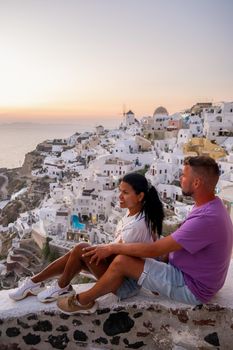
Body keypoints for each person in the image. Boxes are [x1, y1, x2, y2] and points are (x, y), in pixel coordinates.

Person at [57, 155, 233, 315]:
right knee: (126, 254)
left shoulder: (206, 218)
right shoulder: (211, 206)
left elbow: (154, 250)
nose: (180, 178)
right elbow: (172, 246)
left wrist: (111, 247)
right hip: (193, 276)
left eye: (184, 176)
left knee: (121, 261)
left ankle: (82, 301)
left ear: (196, 183)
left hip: (192, 286)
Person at [9, 172, 164, 306]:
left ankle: (56, 286)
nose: (119, 196)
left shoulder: (138, 224)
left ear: (140, 196)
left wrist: (94, 251)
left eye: (125, 193)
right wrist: (97, 250)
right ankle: (36, 283)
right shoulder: (134, 214)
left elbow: (121, 258)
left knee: (81, 249)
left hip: (125, 285)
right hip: (121, 276)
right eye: (119, 191)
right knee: (78, 252)